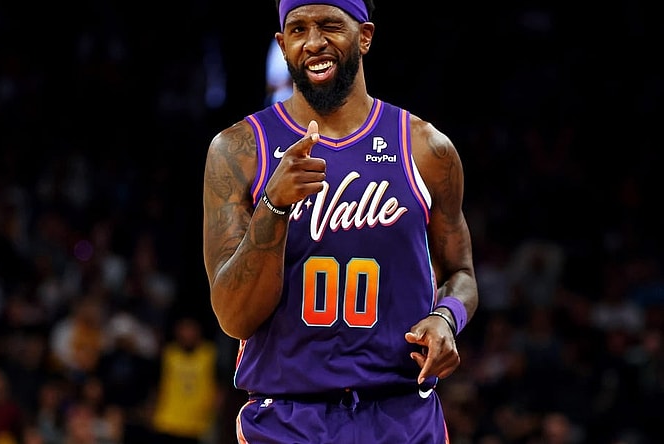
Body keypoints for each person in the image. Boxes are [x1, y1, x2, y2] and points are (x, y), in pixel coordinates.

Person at [202, 1, 479, 442]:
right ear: (282, 43)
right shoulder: (238, 151)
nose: (314, 43)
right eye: (298, 29)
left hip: (402, 414)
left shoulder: (427, 149)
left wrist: (447, 319)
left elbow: (461, 273)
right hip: (287, 419)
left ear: (365, 37)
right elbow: (234, 318)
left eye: (330, 26)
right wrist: (273, 205)